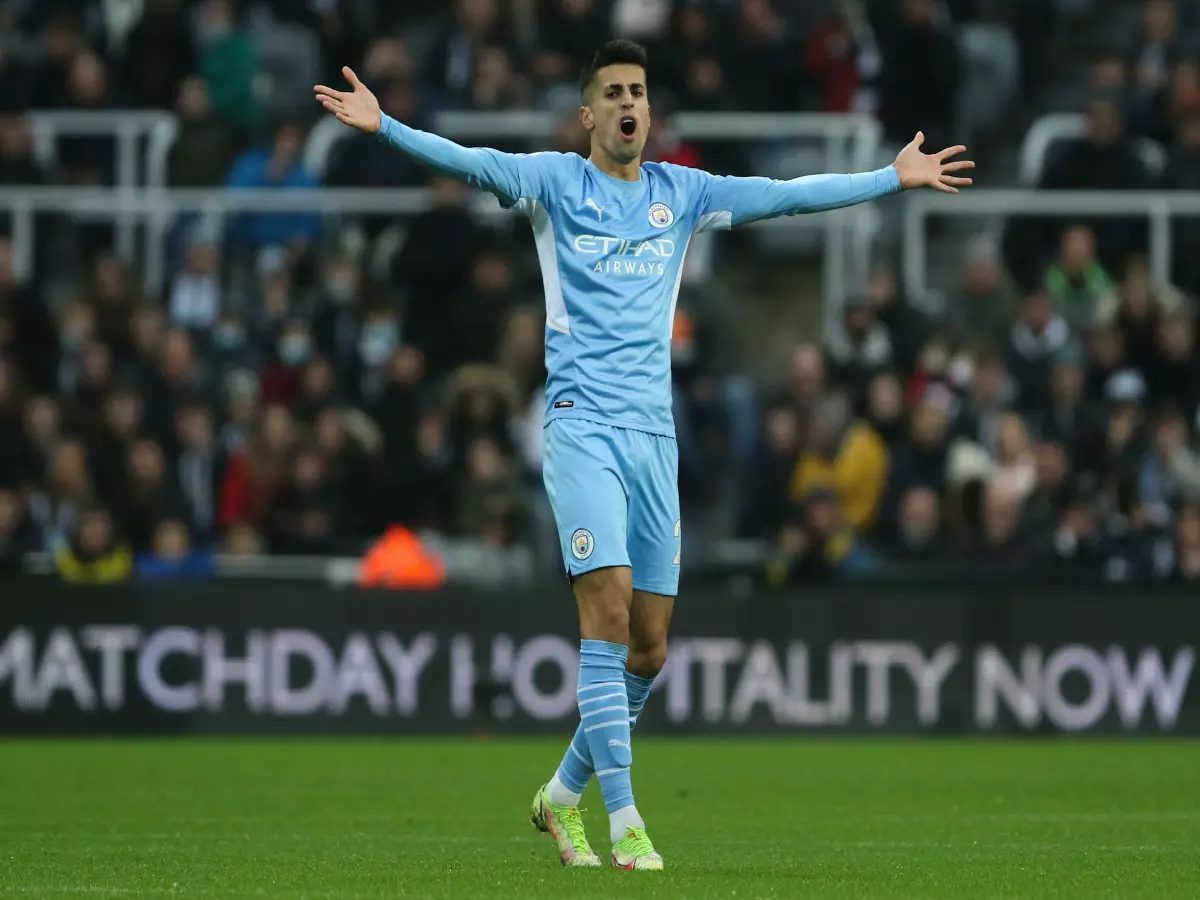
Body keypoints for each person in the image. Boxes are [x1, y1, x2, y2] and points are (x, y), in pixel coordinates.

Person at [315, 38, 973, 871]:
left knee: (650, 647)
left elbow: (788, 196)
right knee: (609, 613)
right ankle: (624, 820)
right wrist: (386, 128)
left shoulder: (682, 192)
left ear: (650, 112)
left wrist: (889, 177)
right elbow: (472, 160)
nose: (630, 103)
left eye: (640, 91)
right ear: (590, 115)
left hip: (653, 438)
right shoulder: (555, 183)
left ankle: (559, 798)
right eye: (614, 92)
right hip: (581, 423)